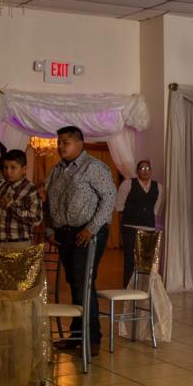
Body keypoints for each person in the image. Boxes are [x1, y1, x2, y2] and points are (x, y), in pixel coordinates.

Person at [44, 125, 115, 355]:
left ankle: (91, 338)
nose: (60, 146)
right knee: (74, 282)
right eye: (58, 142)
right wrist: (50, 230)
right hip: (64, 233)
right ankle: (77, 334)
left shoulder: (93, 167)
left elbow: (109, 198)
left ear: (79, 143)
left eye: (65, 142)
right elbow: (48, 202)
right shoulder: (56, 170)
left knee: (83, 282)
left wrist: (91, 229)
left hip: (88, 232)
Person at [115, 159, 162, 285]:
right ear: (137, 171)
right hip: (129, 227)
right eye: (142, 168)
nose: (145, 171)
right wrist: (121, 227)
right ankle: (128, 286)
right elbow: (120, 206)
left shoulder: (158, 187)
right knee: (130, 258)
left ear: (151, 170)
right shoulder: (128, 184)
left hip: (148, 228)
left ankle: (144, 286)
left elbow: (155, 209)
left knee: (146, 260)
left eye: (147, 168)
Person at [0, 149, 43, 252]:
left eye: (13, 168)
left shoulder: (31, 190)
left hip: (18, 244)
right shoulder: (3, 187)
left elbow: (36, 219)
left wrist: (10, 206)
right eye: (5, 167)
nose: (8, 172)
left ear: (24, 169)